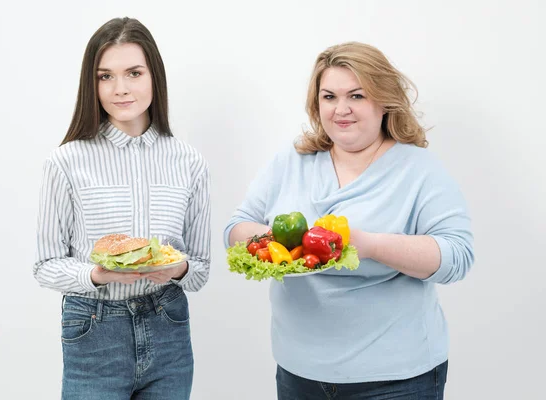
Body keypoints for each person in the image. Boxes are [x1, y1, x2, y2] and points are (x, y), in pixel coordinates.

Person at [224, 42, 474, 399]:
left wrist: (370, 245)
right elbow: (236, 227)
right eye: (329, 97)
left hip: (396, 381)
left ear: (384, 100)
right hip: (299, 374)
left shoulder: (419, 169)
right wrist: (281, 241)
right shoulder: (292, 161)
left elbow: (457, 256)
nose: (341, 110)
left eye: (356, 96)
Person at [34, 17, 211, 399]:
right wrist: (98, 275)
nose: (120, 89)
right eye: (105, 76)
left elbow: (199, 271)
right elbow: (45, 265)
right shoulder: (65, 162)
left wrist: (177, 267)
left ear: (154, 77)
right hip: (95, 329)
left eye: (133, 72)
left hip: (169, 327)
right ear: (92, 84)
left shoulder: (189, 162)